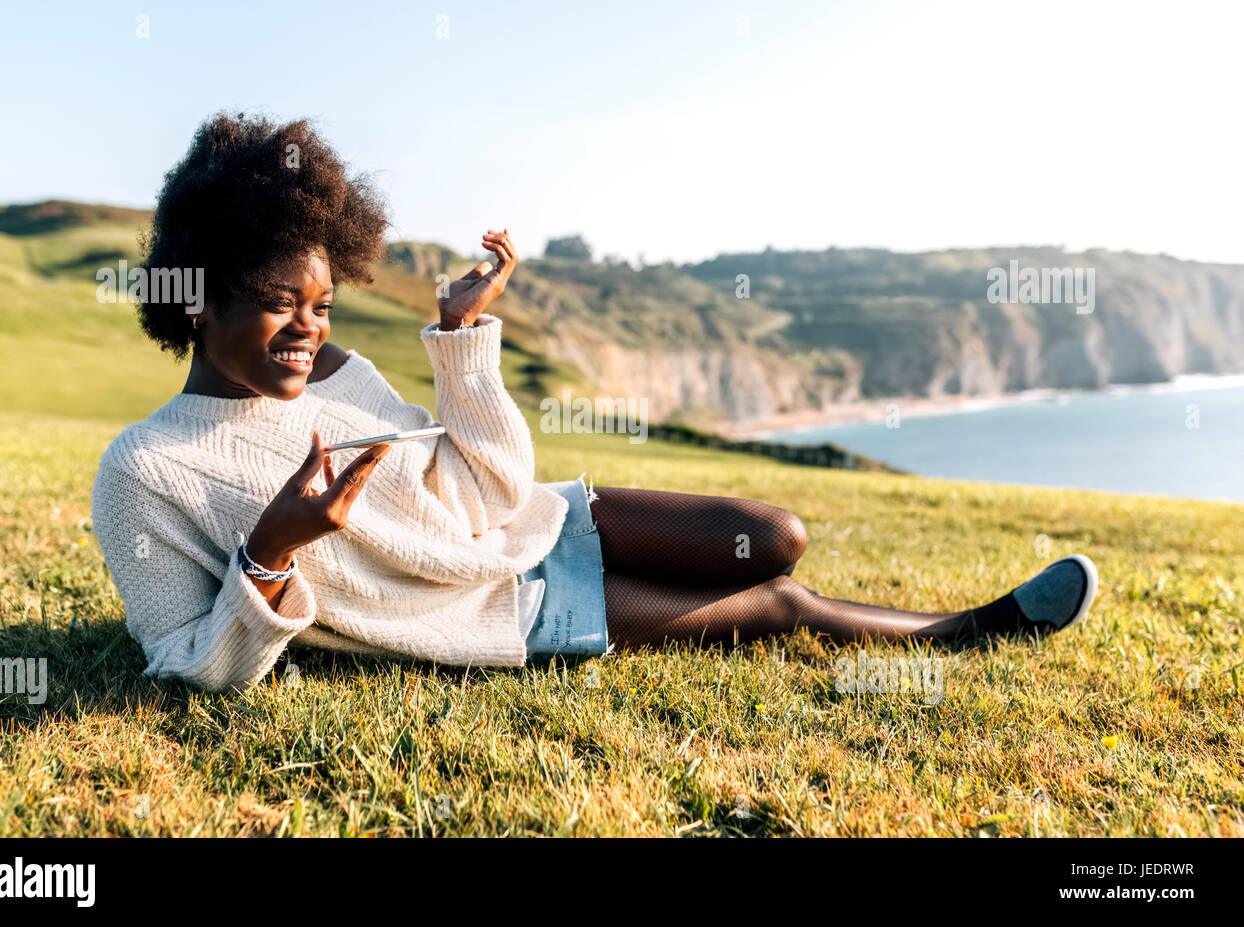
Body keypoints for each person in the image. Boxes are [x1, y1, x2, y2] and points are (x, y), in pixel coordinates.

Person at [91, 113, 1098, 692]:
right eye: (279, 306)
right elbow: (185, 661)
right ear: (196, 297)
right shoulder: (144, 472)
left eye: (321, 302)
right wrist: (273, 550)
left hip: (534, 525)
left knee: (777, 534)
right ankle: (969, 629)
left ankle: (946, 621)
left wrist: (459, 345)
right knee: (777, 605)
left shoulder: (341, 373)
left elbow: (485, 485)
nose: (308, 328)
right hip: (497, 606)